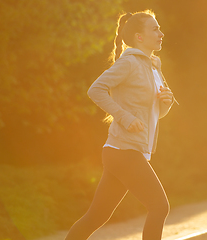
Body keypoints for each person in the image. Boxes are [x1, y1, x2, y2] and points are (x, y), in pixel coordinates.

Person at [65, 10, 177, 240]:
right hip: (124, 151)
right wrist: (125, 118)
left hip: (125, 151)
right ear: (139, 37)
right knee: (159, 207)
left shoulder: (154, 66)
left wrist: (166, 104)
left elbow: (152, 114)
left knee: (96, 217)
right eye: (155, 29)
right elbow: (95, 89)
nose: (161, 33)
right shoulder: (130, 62)